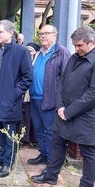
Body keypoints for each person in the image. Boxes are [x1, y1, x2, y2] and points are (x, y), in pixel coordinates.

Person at [31, 26, 95, 187]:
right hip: (63, 111)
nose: (77, 48)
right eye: (75, 45)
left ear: (91, 42)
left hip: (85, 115)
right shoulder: (74, 57)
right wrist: (60, 106)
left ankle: (86, 184)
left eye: (80, 45)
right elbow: (61, 83)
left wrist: (69, 111)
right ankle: (51, 176)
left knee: (88, 152)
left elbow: (93, 93)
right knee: (57, 143)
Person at [0, 19, 33, 178]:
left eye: (1, 31)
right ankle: (0, 157)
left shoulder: (21, 51)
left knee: (9, 131)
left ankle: (8, 163)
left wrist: (15, 92)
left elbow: (28, 77)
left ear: (10, 33)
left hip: (10, 96)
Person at [27, 25, 71, 166]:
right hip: (35, 98)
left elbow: (67, 79)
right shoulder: (39, 52)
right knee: (39, 131)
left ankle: (52, 162)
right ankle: (44, 155)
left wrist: (61, 102)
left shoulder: (61, 52)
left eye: (47, 33)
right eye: (41, 34)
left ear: (55, 35)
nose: (43, 36)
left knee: (49, 132)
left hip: (50, 100)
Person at [21, 42, 40, 145]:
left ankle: (34, 139)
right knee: (26, 117)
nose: (29, 52)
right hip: (24, 94)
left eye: (31, 50)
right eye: (27, 50)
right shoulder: (23, 60)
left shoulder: (37, 62)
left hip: (34, 94)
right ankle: (25, 139)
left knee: (34, 118)